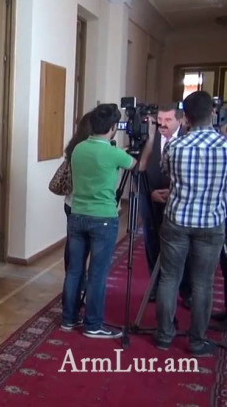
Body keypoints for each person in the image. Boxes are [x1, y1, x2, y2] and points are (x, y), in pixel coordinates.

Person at [154, 91, 227, 356]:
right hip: (211, 222)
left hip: (177, 219)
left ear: (185, 117)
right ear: (212, 114)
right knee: (203, 283)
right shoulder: (225, 147)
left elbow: (166, 172)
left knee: (169, 278)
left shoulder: (175, 146)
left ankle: (164, 336)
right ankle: (197, 341)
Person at [62, 104, 136, 338]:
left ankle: (68, 319)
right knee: (97, 274)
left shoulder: (78, 148)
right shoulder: (114, 153)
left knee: (74, 271)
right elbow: (138, 166)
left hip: (77, 214)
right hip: (103, 218)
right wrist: (148, 142)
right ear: (113, 127)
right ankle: (93, 324)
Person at [137, 104, 190, 304]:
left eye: (168, 120)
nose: (162, 124)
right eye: (160, 120)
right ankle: (155, 285)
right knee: (152, 242)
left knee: (182, 247)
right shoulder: (149, 137)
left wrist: (173, 192)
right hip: (151, 197)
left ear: (180, 120)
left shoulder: (188, 139)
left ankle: (185, 290)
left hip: (179, 201)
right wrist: (150, 192)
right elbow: (140, 169)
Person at [59, 112, 92, 323]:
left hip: (70, 205)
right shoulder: (93, 150)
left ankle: (70, 306)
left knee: (73, 258)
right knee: (83, 260)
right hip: (87, 208)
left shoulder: (74, 148)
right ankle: (81, 299)